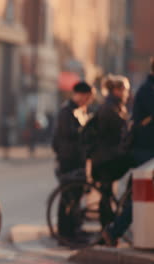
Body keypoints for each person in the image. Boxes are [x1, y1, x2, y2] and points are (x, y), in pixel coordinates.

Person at [102, 57, 154, 246]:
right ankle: (115, 230)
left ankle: (115, 230)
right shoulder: (148, 91)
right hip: (145, 150)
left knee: (143, 194)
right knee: (145, 194)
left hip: (148, 149)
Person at [51, 81, 94, 242]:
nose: (89, 101)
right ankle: (65, 233)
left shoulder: (79, 111)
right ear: (80, 95)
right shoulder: (66, 112)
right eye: (88, 97)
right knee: (67, 198)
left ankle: (74, 229)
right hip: (68, 161)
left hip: (76, 160)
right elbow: (69, 136)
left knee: (76, 197)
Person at [89, 75, 133, 229]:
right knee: (106, 194)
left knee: (106, 193)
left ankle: (109, 226)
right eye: (125, 90)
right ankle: (107, 229)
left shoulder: (116, 106)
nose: (127, 93)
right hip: (105, 159)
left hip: (108, 156)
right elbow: (119, 132)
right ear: (116, 90)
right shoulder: (109, 108)